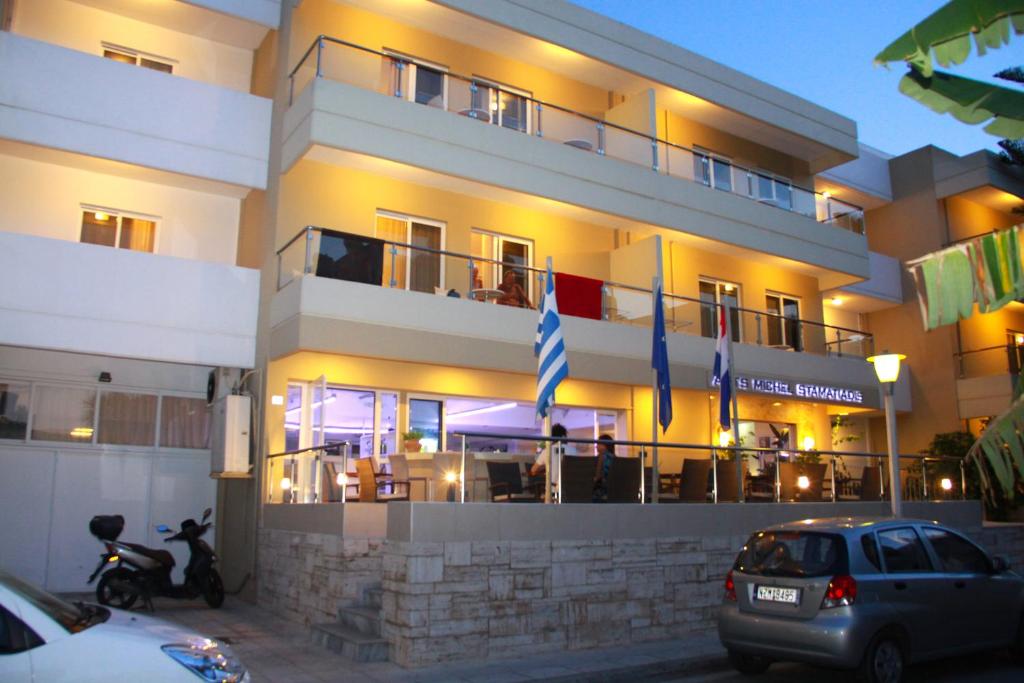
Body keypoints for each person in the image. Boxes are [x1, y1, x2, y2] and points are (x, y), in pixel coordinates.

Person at [530, 423, 567, 497]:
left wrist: (546, 469)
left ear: (552, 437)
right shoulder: (573, 451)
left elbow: (533, 470)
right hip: (571, 492)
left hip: (554, 492)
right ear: (564, 437)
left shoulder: (548, 451)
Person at [592, 433, 615, 503]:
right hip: (613, 493)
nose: (596, 446)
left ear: (605, 445)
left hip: (601, 494)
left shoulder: (601, 457)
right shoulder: (615, 458)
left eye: (598, 444)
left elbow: (597, 478)